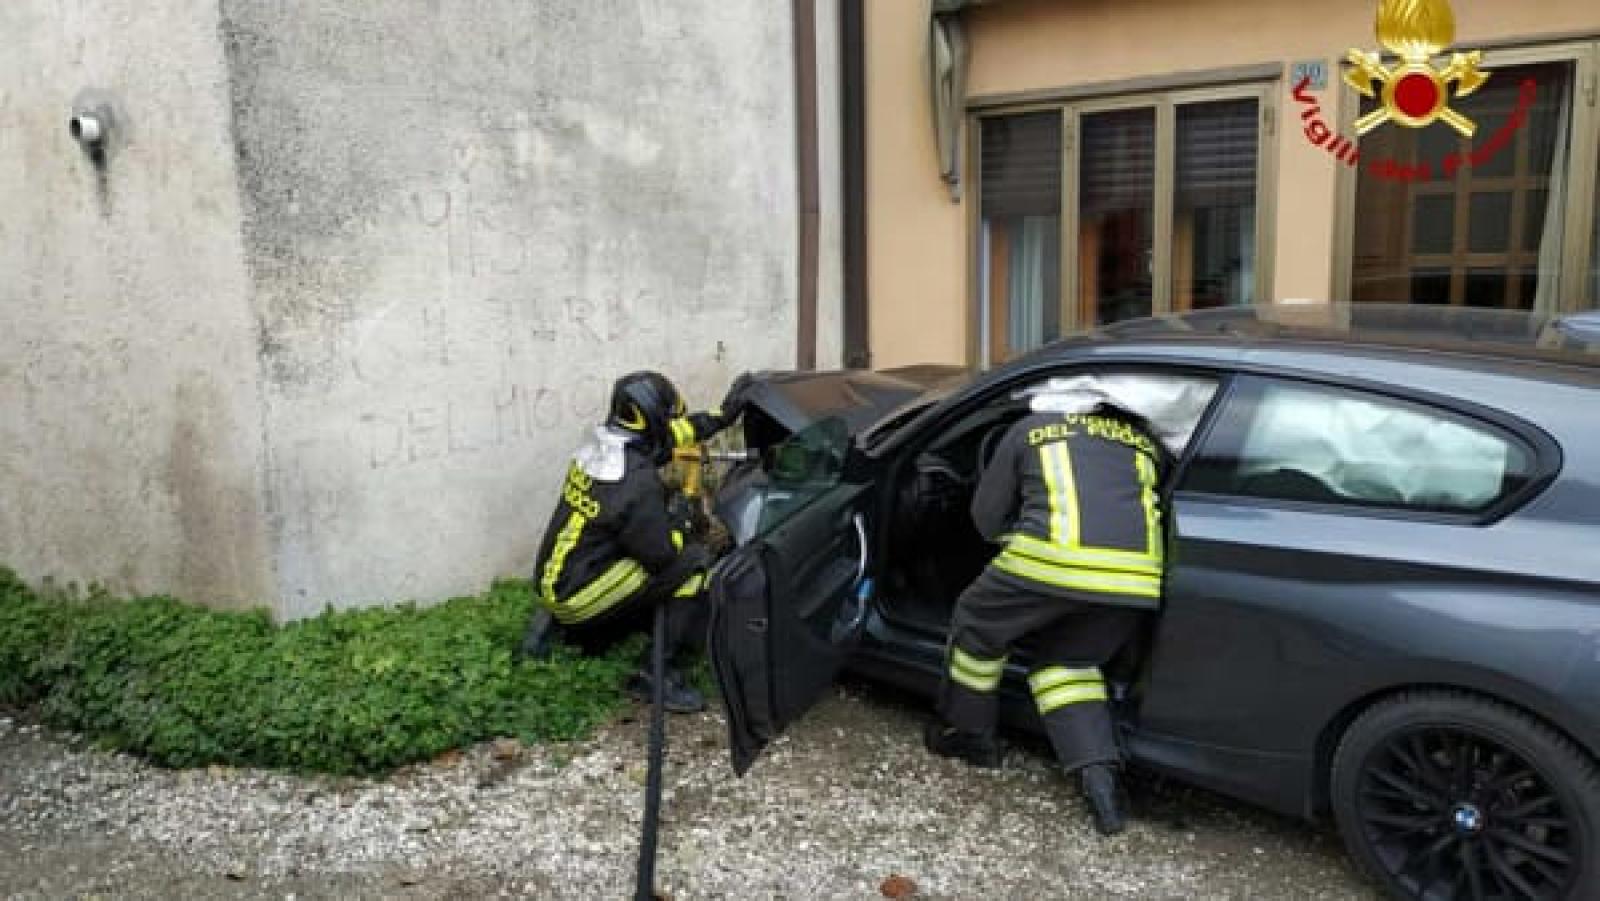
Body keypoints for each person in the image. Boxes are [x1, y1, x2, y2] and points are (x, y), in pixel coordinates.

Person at [924, 395, 1170, 836]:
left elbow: (984, 517)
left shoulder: (1029, 429)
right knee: (1069, 665)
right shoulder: (1143, 441)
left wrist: (1014, 538)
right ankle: (1102, 786)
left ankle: (968, 736)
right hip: (1135, 583)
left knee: (977, 625)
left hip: (1048, 563)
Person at [518, 370, 752, 713]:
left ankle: (558, 627)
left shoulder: (603, 448)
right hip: (578, 595)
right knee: (694, 563)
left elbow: (678, 434)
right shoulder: (636, 483)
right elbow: (661, 556)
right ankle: (654, 673)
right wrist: (682, 518)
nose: (673, 425)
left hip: (554, 579)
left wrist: (723, 415)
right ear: (653, 418)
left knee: (640, 556)